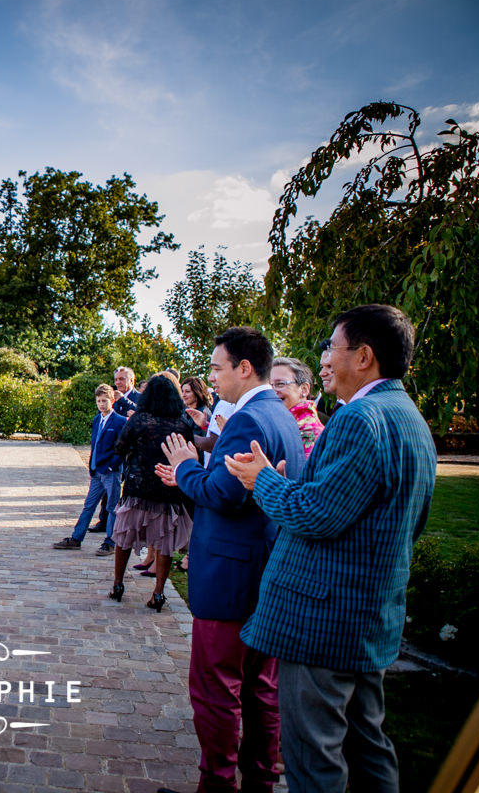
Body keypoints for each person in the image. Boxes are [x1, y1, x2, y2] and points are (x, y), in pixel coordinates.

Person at [226, 305, 437, 793]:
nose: (323, 359)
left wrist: (264, 483)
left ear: (363, 357)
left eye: (331, 348)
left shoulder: (360, 419)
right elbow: (403, 519)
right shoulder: (411, 419)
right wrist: (283, 484)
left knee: (314, 757)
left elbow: (315, 515)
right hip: (367, 616)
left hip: (324, 622)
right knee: (368, 747)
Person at [155, 327, 307, 793]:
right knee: (262, 688)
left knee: (216, 690)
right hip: (265, 568)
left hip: (231, 574)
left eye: (217, 368)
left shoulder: (245, 420)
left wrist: (185, 469)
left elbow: (223, 495)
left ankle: (216, 785)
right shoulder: (279, 415)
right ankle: (261, 780)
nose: (212, 378)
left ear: (244, 368)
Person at [107, 373, 193, 612]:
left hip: (138, 487)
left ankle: (118, 584)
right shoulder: (182, 423)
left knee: (124, 536)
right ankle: (158, 592)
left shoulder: (140, 419)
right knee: (165, 542)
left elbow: (120, 447)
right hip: (168, 489)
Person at [52, 384, 126, 555]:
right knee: (89, 506)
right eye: (99, 401)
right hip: (97, 471)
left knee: (112, 507)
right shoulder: (96, 419)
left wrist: (112, 465)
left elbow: (122, 448)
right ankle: (77, 538)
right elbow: (95, 443)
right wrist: (92, 465)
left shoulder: (120, 421)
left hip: (111, 471)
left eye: (104, 401)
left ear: (112, 401)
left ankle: (110, 542)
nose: (101, 404)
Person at [270, 358, 324, 458]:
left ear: (304, 389)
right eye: (269, 386)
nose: (272, 391)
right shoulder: (282, 425)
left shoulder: (309, 432)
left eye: (280, 384)